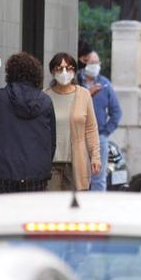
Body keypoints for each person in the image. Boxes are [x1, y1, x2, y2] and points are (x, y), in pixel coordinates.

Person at [0, 53, 56, 194]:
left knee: (4, 215)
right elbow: (52, 142)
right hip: (36, 174)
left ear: (10, 73)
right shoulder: (46, 101)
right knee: (31, 215)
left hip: (2, 173)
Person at [43, 53, 100, 192]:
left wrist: (95, 156)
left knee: (75, 205)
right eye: (59, 68)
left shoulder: (84, 94)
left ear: (74, 71)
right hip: (51, 163)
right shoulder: (44, 96)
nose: (64, 72)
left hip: (77, 162)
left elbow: (91, 128)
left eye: (68, 68)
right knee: (52, 205)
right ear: (52, 71)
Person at [78, 48, 122, 192]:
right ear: (84, 62)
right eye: (92, 62)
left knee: (99, 178)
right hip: (77, 136)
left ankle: (96, 209)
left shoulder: (105, 84)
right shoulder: (76, 82)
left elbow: (116, 111)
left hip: (99, 136)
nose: (96, 66)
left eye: (98, 62)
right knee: (78, 176)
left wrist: (105, 132)